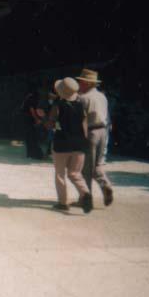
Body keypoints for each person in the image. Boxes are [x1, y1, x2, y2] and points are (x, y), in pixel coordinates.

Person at [43, 78, 93, 213]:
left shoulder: (57, 104)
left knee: (60, 174)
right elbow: (84, 124)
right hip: (79, 143)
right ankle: (85, 194)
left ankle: (63, 203)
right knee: (75, 173)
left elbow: (51, 123)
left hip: (62, 143)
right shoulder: (80, 103)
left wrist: (45, 122)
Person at [76, 68, 114, 206]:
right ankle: (105, 185)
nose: (79, 84)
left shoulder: (82, 98)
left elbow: (80, 120)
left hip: (90, 132)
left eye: (80, 81)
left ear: (86, 83)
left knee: (86, 168)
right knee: (97, 165)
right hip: (103, 131)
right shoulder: (102, 97)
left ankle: (86, 199)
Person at [22, 84, 45, 159]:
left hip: (26, 119)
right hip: (30, 119)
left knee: (29, 137)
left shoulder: (29, 96)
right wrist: (36, 119)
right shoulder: (34, 97)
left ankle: (30, 154)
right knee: (33, 137)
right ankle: (36, 154)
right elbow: (31, 109)